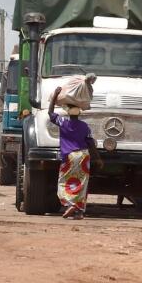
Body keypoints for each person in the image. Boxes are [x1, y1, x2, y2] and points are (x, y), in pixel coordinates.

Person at [49, 85, 95, 220]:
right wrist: (97, 158)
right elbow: (90, 143)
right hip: (84, 156)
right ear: (79, 113)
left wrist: (55, 96)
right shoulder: (85, 126)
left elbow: (50, 114)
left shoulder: (63, 122)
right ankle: (79, 212)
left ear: (68, 113)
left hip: (69, 156)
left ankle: (71, 204)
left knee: (64, 182)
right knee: (82, 183)